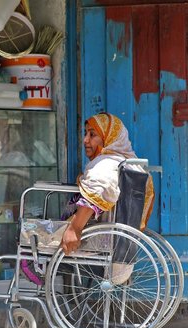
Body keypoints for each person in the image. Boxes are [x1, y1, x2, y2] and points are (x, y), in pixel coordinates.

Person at [59, 112, 154, 283]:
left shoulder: (106, 163)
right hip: (120, 249)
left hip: (97, 242)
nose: (85, 140)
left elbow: (97, 191)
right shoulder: (127, 161)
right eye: (86, 134)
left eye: (92, 135)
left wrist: (74, 228)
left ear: (109, 138)